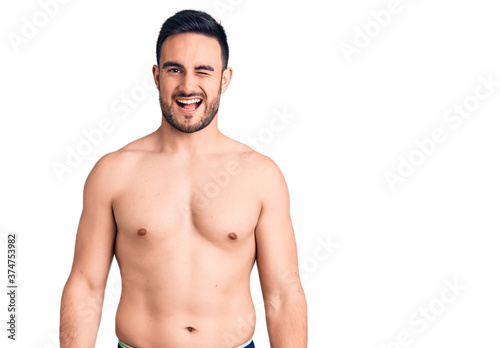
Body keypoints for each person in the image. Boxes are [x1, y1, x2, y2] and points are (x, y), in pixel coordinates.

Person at [59, 9, 307, 348]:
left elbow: (283, 292)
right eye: (175, 70)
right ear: (157, 76)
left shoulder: (260, 175)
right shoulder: (114, 172)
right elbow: (86, 285)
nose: (188, 86)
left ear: (225, 78)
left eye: (203, 71)